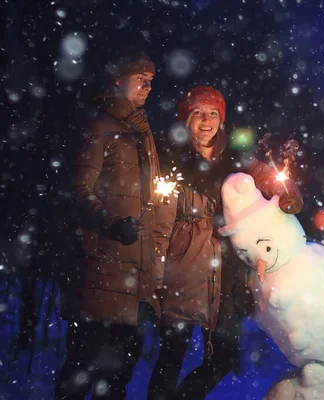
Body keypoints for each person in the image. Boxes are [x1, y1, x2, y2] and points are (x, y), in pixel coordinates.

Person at [147, 86, 304, 400]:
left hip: (225, 273)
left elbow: (266, 176)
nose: (206, 121)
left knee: (223, 356)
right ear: (185, 119)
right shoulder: (168, 156)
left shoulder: (235, 155)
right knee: (171, 356)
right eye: (198, 114)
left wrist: (289, 194)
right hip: (182, 267)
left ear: (222, 119)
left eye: (213, 114)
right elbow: (154, 209)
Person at [54, 48, 162, 399]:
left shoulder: (142, 134)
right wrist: (113, 224)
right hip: (102, 275)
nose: (147, 87)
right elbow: (79, 190)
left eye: (151, 81)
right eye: (140, 79)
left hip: (135, 279)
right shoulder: (99, 127)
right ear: (117, 79)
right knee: (82, 369)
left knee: (118, 379)